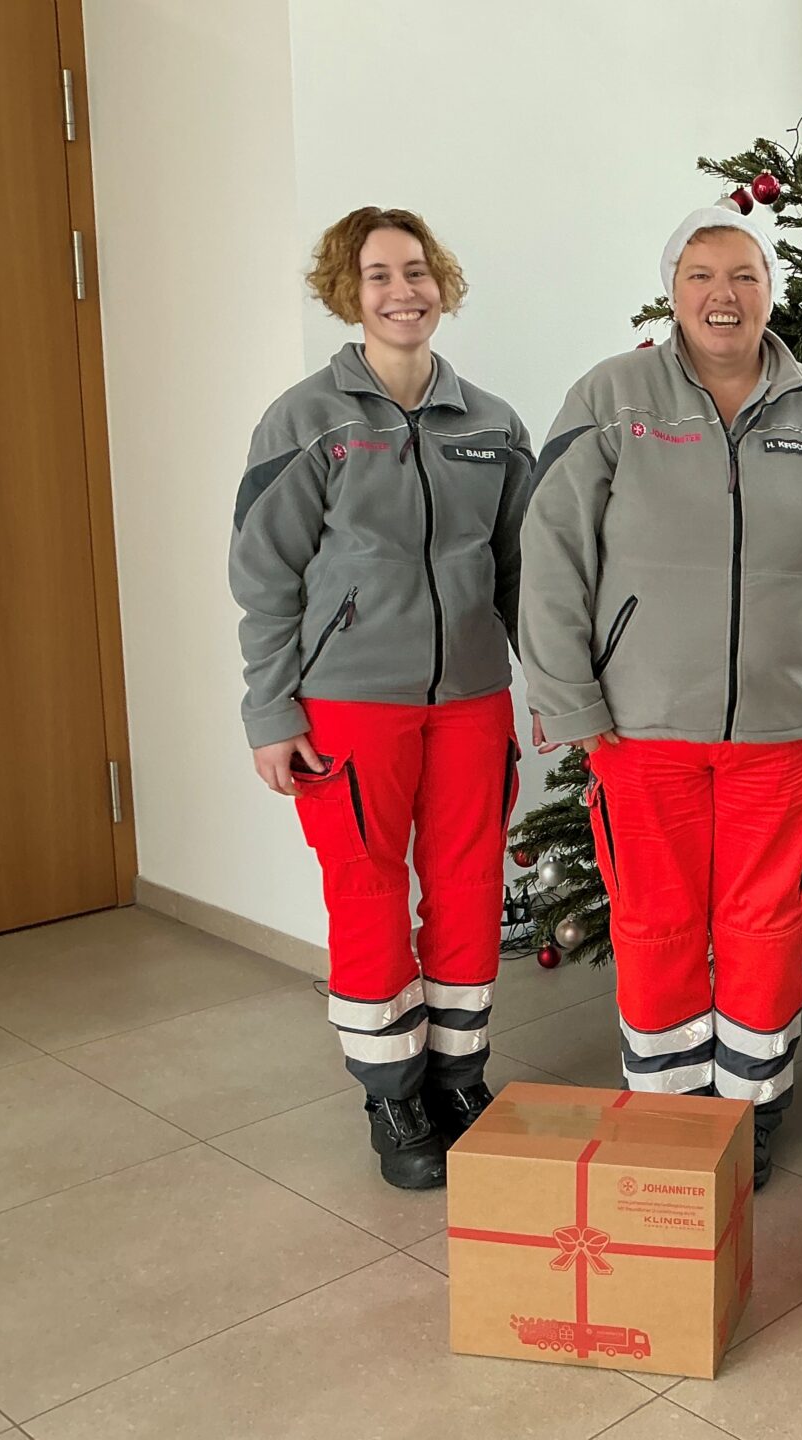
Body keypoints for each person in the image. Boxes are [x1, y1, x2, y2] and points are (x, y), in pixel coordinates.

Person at [519, 205, 802, 1187]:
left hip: (781, 729)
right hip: (641, 726)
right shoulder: (611, 397)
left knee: (764, 926)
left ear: (770, 290)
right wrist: (569, 696)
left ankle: (751, 1101)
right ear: (672, 290)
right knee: (654, 921)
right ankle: (669, 1103)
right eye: (700, 274)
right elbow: (552, 553)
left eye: (743, 274)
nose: (722, 294)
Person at [229, 207, 536, 1189]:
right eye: (378, 277)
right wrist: (271, 713)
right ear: (347, 294)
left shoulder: (491, 423)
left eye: (416, 271)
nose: (403, 291)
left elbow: (525, 571)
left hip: (473, 699)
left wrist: (555, 687)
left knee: (468, 886)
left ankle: (457, 1075)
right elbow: (265, 578)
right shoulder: (305, 419)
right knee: (367, 895)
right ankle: (392, 1093)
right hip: (350, 705)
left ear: (440, 282)